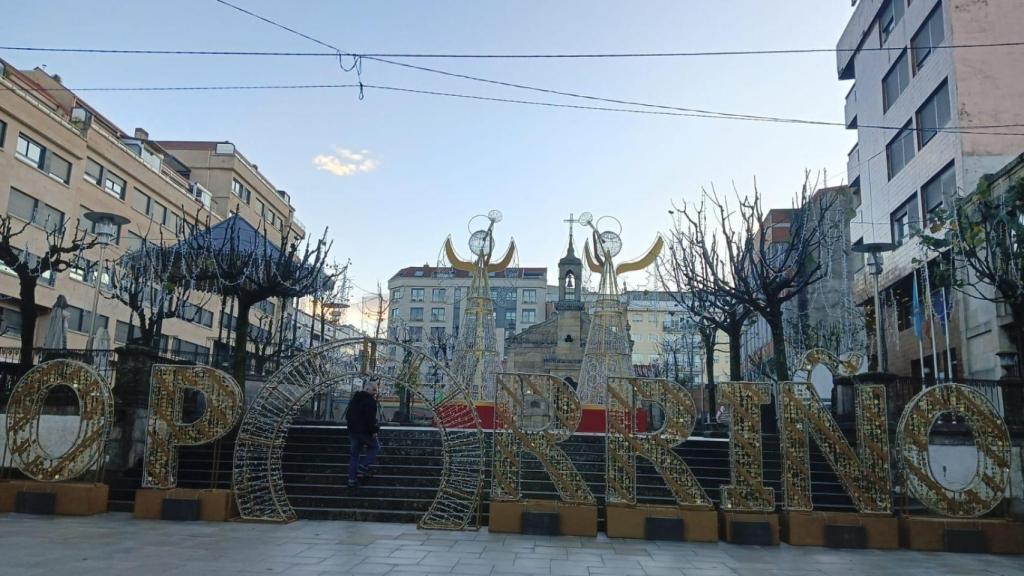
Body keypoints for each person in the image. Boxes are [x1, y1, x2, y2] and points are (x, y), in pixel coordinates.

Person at [345, 382, 381, 488]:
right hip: (364, 432)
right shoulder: (370, 401)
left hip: (353, 432)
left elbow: (348, 416)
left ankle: (352, 480)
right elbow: (370, 419)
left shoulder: (354, 400)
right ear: (367, 389)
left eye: (376, 390)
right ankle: (363, 465)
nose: (375, 392)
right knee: (376, 447)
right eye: (374, 390)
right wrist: (374, 431)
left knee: (354, 456)